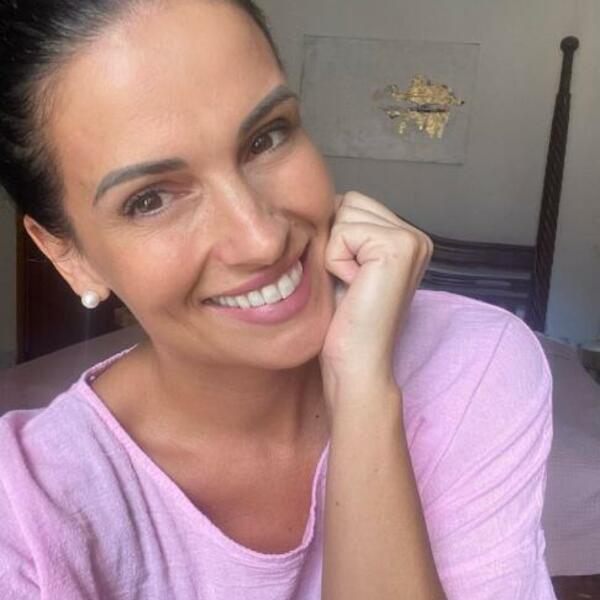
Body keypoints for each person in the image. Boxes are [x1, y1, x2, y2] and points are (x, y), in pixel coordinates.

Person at [0, 1, 556, 598]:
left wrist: (364, 393)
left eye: (266, 138)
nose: (261, 239)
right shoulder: (27, 512)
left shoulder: (475, 364)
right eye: (151, 199)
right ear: (68, 255)